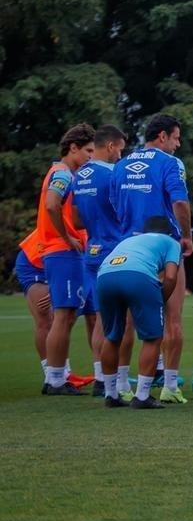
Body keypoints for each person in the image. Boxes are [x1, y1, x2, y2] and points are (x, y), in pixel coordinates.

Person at [111, 114, 193, 402]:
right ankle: (170, 386)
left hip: (129, 248)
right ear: (162, 137)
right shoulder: (170, 164)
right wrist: (186, 236)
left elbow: (114, 206)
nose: (178, 143)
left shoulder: (119, 167)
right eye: (176, 137)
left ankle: (120, 384)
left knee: (127, 321)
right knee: (173, 317)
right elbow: (180, 202)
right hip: (163, 246)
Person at [22, 124, 94, 395]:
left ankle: (58, 377)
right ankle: (55, 381)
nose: (90, 156)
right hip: (59, 251)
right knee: (61, 316)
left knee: (65, 316)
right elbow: (52, 204)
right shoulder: (63, 173)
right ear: (73, 148)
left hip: (59, 251)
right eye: (87, 150)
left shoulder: (66, 173)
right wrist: (66, 237)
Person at [95, 216, 182, 409]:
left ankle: (110, 394)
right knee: (152, 338)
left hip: (105, 276)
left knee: (111, 336)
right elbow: (170, 275)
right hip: (137, 275)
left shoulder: (128, 240)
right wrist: (161, 299)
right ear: (168, 232)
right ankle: (142, 396)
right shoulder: (171, 242)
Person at [72, 124, 128, 396]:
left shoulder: (79, 175)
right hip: (114, 249)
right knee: (122, 319)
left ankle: (100, 377)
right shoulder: (114, 173)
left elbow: (75, 218)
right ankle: (119, 381)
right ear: (110, 146)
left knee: (99, 317)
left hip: (91, 249)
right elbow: (124, 209)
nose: (121, 155)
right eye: (120, 149)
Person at [13, 246, 52, 388]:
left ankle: (62, 372)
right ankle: (50, 375)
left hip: (57, 259)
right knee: (46, 319)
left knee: (64, 318)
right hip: (34, 260)